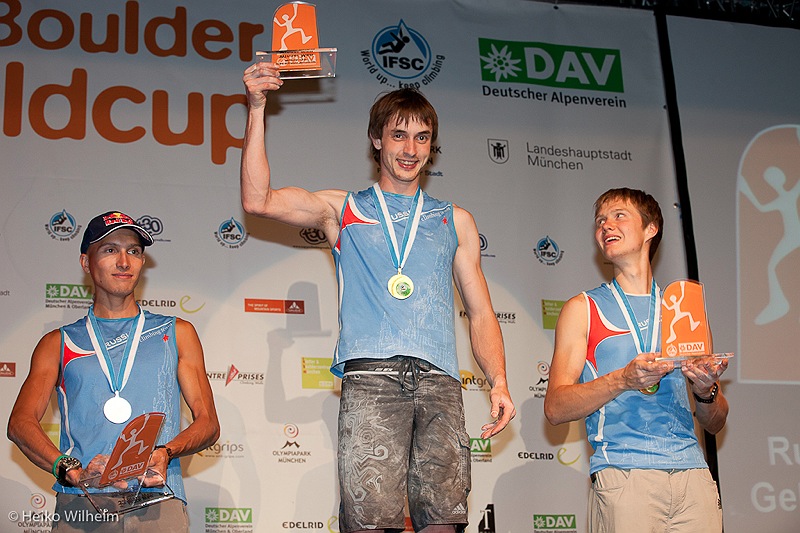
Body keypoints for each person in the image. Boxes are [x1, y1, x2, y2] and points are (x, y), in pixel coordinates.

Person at [240, 62, 515, 533]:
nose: (410, 149)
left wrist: (500, 381)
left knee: (444, 522)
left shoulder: (455, 220)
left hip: (440, 382)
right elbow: (257, 200)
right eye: (399, 135)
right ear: (376, 140)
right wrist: (257, 107)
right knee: (372, 524)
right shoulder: (343, 208)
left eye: (422, 138)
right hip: (372, 378)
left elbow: (481, 312)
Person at [7, 211, 220, 532]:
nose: (124, 261)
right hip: (81, 502)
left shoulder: (177, 332)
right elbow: (20, 423)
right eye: (110, 250)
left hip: (157, 499)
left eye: (133, 251)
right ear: (85, 262)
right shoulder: (57, 342)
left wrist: (166, 452)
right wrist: (70, 469)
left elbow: (209, 423)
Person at [543, 188, 730, 533]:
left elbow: (715, 422)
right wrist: (622, 380)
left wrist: (706, 392)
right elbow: (555, 408)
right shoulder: (583, 309)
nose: (606, 225)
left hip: (693, 476)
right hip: (624, 475)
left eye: (619, 215)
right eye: (600, 220)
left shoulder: (684, 310)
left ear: (651, 228)